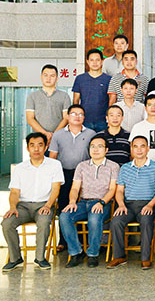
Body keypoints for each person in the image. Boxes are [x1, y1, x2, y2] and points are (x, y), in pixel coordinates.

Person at [2, 133, 63, 272]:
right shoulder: (20, 168)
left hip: (44, 204)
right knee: (7, 223)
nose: (36, 149)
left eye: (40, 145)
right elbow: (15, 192)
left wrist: (48, 205)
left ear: (46, 147)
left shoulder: (54, 165)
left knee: (44, 221)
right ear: (27, 148)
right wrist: (12, 207)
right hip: (23, 206)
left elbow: (56, 189)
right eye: (32, 145)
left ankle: (40, 258)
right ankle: (15, 258)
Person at [60, 135, 119, 268]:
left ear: (106, 150)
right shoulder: (82, 166)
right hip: (82, 202)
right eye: (92, 146)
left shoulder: (113, 166)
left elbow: (112, 189)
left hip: (103, 203)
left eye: (100, 146)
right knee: (64, 216)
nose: (95, 149)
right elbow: (75, 188)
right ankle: (76, 252)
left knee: (94, 218)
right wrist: (72, 202)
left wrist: (102, 202)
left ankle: (93, 254)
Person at [107, 136, 155, 270]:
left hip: (147, 204)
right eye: (135, 146)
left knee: (146, 221)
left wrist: (150, 205)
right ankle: (119, 256)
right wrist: (121, 204)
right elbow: (119, 190)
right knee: (116, 221)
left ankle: (145, 258)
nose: (139, 150)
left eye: (142, 146)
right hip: (128, 205)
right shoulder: (125, 168)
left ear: (148, 149)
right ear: (131, 149)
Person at [49, 104, 96, 250]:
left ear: (84, 117)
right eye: (74, 114)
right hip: (64, 174)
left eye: (81, 114)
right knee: (64, 207)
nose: (77, 116)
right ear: (68, 116)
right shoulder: (58, 135)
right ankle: (63, 241)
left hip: (84, 175)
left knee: (82, 206)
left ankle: (82, 241)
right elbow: (52, 157)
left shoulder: (91, 134)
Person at [26, 64, 71, 147]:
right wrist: (45, 134)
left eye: (52, 76)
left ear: (57, 79)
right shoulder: (32, 96)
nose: (48, 78)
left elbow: (66, 118)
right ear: (41, 77)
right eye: (45, 75)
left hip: (59, 138)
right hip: (38, 139)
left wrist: (54, 135)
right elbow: (30, 119)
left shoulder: (64, 96)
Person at [72, 48, 112, 132]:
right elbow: (76, 100)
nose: (94, 63)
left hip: (103, 121)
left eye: (97, 60)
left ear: (102, 61)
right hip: (84, 120)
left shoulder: (108, 79)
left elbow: (111, 100)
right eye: (92, 60)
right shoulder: (80, 79)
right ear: (87, 61)